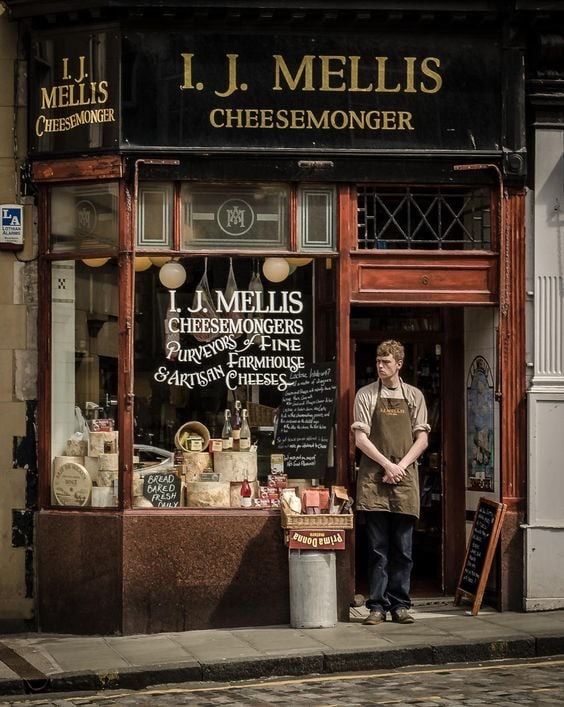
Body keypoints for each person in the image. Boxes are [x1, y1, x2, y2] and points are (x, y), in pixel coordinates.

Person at [352, 340, 430, 625]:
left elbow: (422, 438)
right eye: (378, 361)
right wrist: (387, 465)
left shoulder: (414, 396)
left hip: (405, 476)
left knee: (403, 548)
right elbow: (360, 438)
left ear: (399, 364)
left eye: (386, 362)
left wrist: (400, 466)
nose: (380, 366)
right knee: (377, 547)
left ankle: (400, 605)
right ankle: (376, 606)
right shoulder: (366, 395)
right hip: (374, 477)